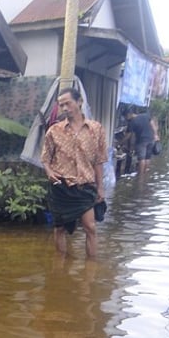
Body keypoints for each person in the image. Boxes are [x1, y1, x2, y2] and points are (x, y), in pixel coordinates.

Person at [41, 87, 107, 258]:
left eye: (67, 104)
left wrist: (100, 188)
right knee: (60, 228)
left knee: (90, 227)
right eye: (61, 105)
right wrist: (49, 171)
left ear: (79, 102)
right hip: (61, 187)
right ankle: (59, 266)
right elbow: (45, 158)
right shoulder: (54, 131)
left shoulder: (96, 129)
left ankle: (90, 269)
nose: (64, 108)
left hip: (85, 186)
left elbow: (99, 161)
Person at [124, 107, 159, 174]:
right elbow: (153, 125)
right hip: (151, 139)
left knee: (141, 158)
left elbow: (128, 136)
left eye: (125, 116)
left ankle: (140, 175)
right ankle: (145, 173)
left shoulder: (132, 122)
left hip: (142, 141)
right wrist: (156, 135)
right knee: (147, 157)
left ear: (129, 114)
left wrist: (120, 142)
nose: (125, 119)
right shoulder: (145, 116)